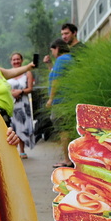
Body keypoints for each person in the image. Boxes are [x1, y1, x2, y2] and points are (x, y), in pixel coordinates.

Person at [45, 38, 74, 168]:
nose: (52, 53)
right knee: (67, 130)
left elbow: (56, 80)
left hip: (60, 102)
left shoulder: (62, 60)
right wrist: (49, 65)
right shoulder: (69, 59)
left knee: (63, 131)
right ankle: (69, 158)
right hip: (68, 100)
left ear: (57, 48)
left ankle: (67, 159)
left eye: (52, 51)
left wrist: (51, 99)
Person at [7, 52, 35, 158]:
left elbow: (30, 88)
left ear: (22, 60)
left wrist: (20, 92)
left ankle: (22, 150)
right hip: (11, 104)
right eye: (14, 60)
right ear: (11, 62)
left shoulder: (27, 73)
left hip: (23, 104)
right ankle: (13, 152)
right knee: (12, 127)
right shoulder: (8, 74)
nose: (16, 61)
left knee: (22, 126)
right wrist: (11, 93)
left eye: (18, 59)